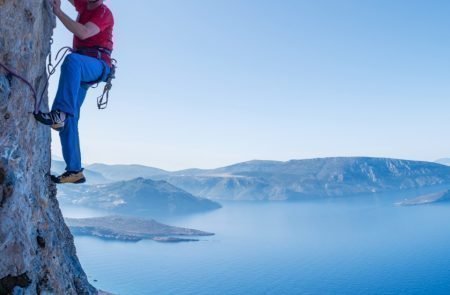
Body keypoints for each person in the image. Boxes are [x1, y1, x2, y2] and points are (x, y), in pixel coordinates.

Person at [35, 0, 114, 184]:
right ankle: (74, 170)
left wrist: (58, 12)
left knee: (72, 61)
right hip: (83, 69)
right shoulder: (84, 5)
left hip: (98, 65)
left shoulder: (104, 13)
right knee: (70, 118)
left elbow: (84, 32)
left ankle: (59, 114)